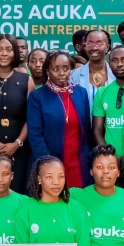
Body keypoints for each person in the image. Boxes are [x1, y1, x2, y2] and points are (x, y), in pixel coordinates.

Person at [27, 52, 92, 188]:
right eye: (56, 69)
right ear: (47, 71)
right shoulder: (38, 96)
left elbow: (86, 131)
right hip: (51, 161)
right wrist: (48, 163)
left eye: (66, 68)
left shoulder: (81, 92)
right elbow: (35, 135)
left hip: (79, 163)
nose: (62, 73)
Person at [0, 34, 30, 193]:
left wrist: (17, 143)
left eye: (9, 49)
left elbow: (32, 118)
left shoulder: (26, 80)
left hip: (20, 150)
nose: (4, 54)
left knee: (19, 192)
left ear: (15, 52)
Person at [71, 30, 112, 106]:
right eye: (90, 44)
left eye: (99, 43)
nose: (94, 48)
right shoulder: (73, 76)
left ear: (107, 47)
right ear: (85, 47)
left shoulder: (116, 74)